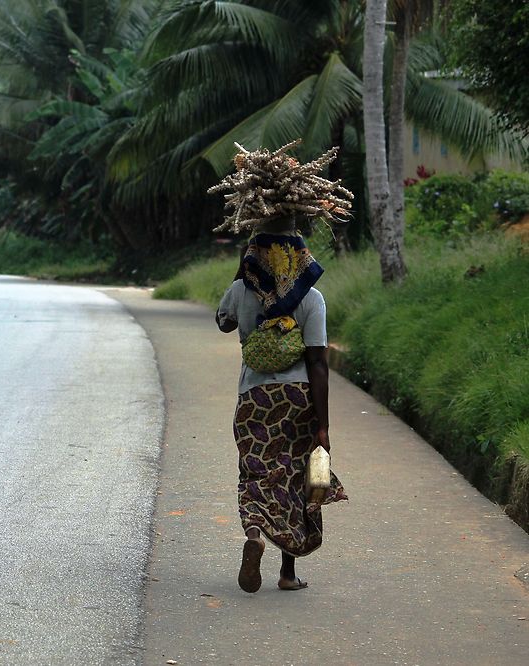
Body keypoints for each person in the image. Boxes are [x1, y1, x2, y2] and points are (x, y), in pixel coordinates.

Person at [209, 141, 352, 594]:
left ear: (257, 248)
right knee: (292, 477)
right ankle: (288, 573)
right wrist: (323, 426)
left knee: (255, 473)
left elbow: (222, 323)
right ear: (298, 251)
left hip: (253, 399)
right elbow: (319, 363)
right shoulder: (312, 298)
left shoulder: (241, 291)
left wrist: (242, 269)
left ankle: (254, 535)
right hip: (296, 400)